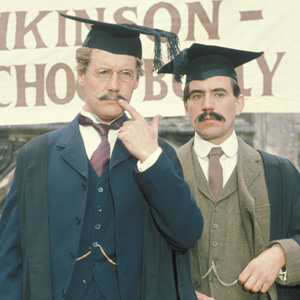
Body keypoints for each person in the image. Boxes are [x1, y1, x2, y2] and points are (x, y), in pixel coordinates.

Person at [0, 14, 204, 300]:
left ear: (136, 81)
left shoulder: (161, 155)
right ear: (81, 76)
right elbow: (9, 258)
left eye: (125, 74)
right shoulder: (35, 156)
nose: (113, 85)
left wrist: (150, 157)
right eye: (103, 72)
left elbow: (187, 234)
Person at [158, 43, 300, 300]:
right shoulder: (164, 172)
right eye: (197, 95)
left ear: (239, 103)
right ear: (186, 106)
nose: (207, 105)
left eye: (219, 94)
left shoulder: (279, 173)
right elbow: (142, 256)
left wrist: (281, 253)